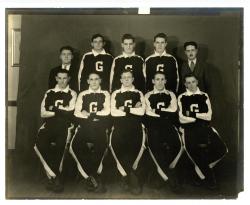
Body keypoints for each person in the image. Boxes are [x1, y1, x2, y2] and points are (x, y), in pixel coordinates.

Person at [177, 73, 228, 189]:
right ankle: (209, 178)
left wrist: (192, 114)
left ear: (197, 82)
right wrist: (200, 116)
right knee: (195, 151)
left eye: (193, 82)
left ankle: (198, 172)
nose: (191, 85)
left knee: (222, 149)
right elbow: (182, 119)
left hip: (204, 127)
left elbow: (209, 116)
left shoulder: (204, 95)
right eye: (188, 82)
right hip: (189, 129)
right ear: (185, 84)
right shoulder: (182, 97)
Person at [34, 69, 77, 193]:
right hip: (49, 125)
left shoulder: (72, 93)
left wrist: (54, 109)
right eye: (60, 78)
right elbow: (43, 113)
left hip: (65, 126)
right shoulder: (49, 92)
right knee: (39, 144)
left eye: (65, 78)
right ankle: (54, 175)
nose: (62, 81)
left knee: (60, 146)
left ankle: (54, 179)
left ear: (68, 79)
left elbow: (70, 113)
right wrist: (61, 111)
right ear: (56, 79)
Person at [69, 73, 110, 192]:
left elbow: (107, 112)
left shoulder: (105, 93)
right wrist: (95, 114)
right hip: (86, 126)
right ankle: (91, 176)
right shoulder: (83, 94)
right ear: (87, 81)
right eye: (91, 79)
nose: (94, 82)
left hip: (100, 126)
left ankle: (91, 176)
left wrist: (89, 114)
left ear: (100, 80)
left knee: (101, 145)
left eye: (96, 79)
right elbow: (76, 113)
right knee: (75, 145)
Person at [144, 72, 183, 192]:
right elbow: (148, 112)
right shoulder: (148, 95)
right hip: (154, 125)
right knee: (155, 146)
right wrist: (164, 112)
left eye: (162, 79)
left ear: (165, 81)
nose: (160, 82)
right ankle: (170, 178)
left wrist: (157, 111)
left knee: (176, 145)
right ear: (153, 81)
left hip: (168, 124)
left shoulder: (171, 94)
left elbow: (173, 110)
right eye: (157, 79)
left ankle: (163, 174)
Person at [110, 70, 146, 195]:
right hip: (119, 124)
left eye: (129, 77)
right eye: (124, 77)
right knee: (118, 145)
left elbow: (141, 112)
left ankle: (132, 176)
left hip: (135, 125)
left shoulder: (138, 93)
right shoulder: (115, 93)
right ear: (120, 80)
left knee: (135, 147)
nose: (126, 80)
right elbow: (114, 112)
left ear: (133, 79)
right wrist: (133, 109)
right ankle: (125, 175)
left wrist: (124, 108)